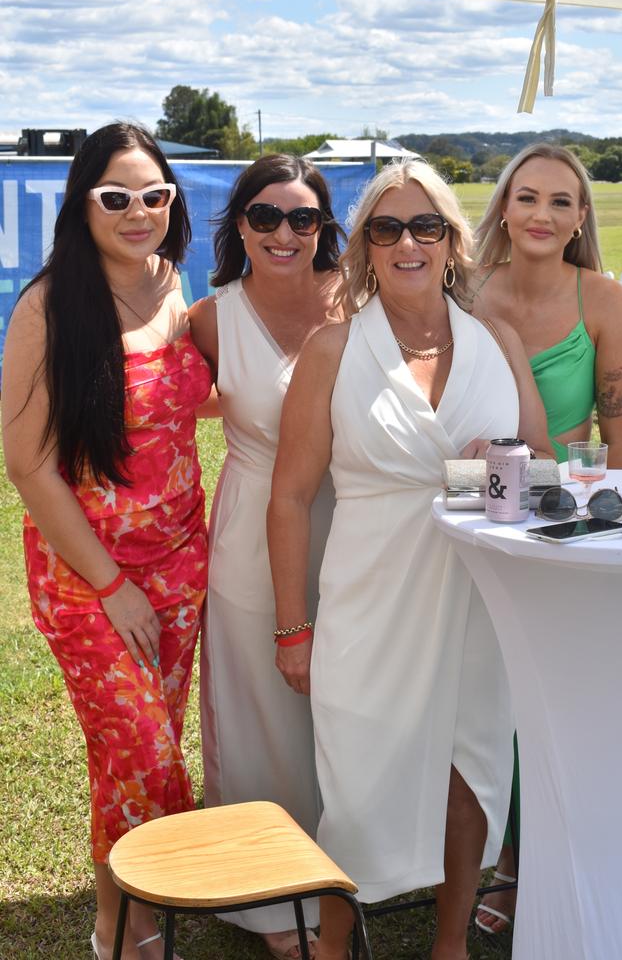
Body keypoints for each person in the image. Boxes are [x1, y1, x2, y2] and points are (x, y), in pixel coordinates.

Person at [267, 158, 554, 960]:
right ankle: (332, 942)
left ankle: (450, 940)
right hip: (371, 596)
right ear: (364, 246)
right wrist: (293, 629)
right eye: (387, 228)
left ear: (450, 242)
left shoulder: (496, 340)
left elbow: (543, 461)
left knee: (471, 772)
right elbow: (289, 497)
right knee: (357, 785)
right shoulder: (331, 351)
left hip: (477, 594)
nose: (407, 243)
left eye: (425, 226)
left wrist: (491, 461)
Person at [1, 123, 211, 960]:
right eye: (116, 197)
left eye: (154, 196)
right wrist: (110, 584)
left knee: (153, 735)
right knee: (138, 746)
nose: (138, 212)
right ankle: (118, 922)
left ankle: (144, 899)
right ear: (81, 204)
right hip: (90, 577)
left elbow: (183, 402)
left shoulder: (170, 281)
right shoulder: (50, 305)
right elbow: (28, 464)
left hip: (183, 560)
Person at [471, 143, 622, 934]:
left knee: (552, 684)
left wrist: (593, 527)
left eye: (562, 202)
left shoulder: (604, 298)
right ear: (504, 206)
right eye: (528, 197)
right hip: (476, 513)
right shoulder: (465, 292)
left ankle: (521, 860)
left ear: (581, 219)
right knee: (487, 686)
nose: (542, 214)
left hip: (573, 520)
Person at [189, 154, 344, 960]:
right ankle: (270, 906)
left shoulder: (360, 300)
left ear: (324, 228)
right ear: (240, 225)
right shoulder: (210, 319)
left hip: (355, 530)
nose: (284, 233)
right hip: (252, 530)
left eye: (303, 218)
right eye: (265, 217)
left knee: (345, 715)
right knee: (260, 720)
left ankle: (344, 877)